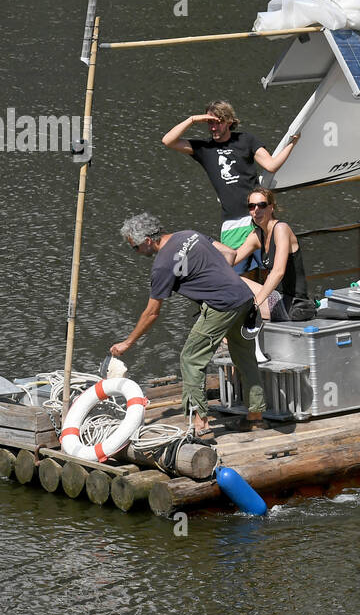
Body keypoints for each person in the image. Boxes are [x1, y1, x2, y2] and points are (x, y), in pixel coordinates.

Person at [111, 213, 265, 439]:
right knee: (244, 357)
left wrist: (127, 342)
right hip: (243, 297)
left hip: (220, 306)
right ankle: (256, 416)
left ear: (147, 240)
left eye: (134, 248)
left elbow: (152, 313)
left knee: (191, 359)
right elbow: (230, 253)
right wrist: (219, 278)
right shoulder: (189, 234)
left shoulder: (162, 265)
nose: (136, 253)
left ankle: (201, 425)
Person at [162, 101, 301, 269]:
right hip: (231, 223)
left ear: (228, 121)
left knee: (270, 269)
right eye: (209, 123)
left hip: (258, 216)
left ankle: (272, 296)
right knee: (235, 276)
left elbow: (271, 165)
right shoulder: (204, 148)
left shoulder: (246, 140)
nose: (213, 127)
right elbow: (168, 141)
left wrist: (292, 144)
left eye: (217, 122)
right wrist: (192, 120)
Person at [229, 186, 314, 322]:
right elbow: (232, 259)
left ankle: (225, 341)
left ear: (271, 207)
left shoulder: (281, 229)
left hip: (294, 305)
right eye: (251, 206)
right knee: (229, 279)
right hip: (276, 298)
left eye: (261, 205)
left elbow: (278, 272)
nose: (256, 210)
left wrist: (256, 303)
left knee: (237, 300)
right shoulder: (257, 235)